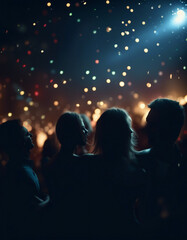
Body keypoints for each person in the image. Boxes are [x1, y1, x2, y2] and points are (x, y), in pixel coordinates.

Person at [84, 108, 146, 239]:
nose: (131, 131)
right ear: (119, 134)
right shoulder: (136, 170)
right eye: (126, 127)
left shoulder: (88, 165)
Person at [136, 98, 185, 239]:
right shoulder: (137, 161)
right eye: (148, 124)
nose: (146, 130)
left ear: (172, 127)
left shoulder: (138, 162)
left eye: (153, 125)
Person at [0, 119, 49, 240]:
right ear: (19, 142)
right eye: (27, 134)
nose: (31, 135)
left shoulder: (18, 168)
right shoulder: (20, 172)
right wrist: (51, 199)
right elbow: (32, 211)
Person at [44, 112, 89, 239]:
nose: (86, 130)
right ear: (73, 132)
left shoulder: (50, 164)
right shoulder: (83, 163)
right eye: (82, 127)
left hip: (57, 226)